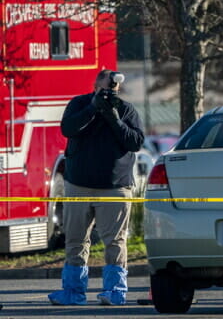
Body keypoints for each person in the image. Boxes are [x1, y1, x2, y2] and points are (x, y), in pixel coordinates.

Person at [48, 69, 144, 305]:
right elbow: (67, 129)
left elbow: (135, 142)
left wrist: (113, 117)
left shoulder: (125, 109)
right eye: (107, 80)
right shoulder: (79, 104)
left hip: (115, 187)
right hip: (78, 185)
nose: (111, 86)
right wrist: (92, 108)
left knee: (114, 241)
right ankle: (73, 292)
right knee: (75, 240)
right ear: (95, 83)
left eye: (114, 83)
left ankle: (115, 291)